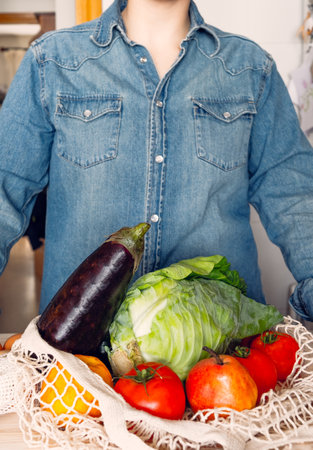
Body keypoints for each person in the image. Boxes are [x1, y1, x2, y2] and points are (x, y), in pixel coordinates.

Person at [0, 0, 313, 321]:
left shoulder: (251, 69)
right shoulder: (51, 62)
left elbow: (295, 199)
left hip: (223, 351)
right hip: (81, 357)